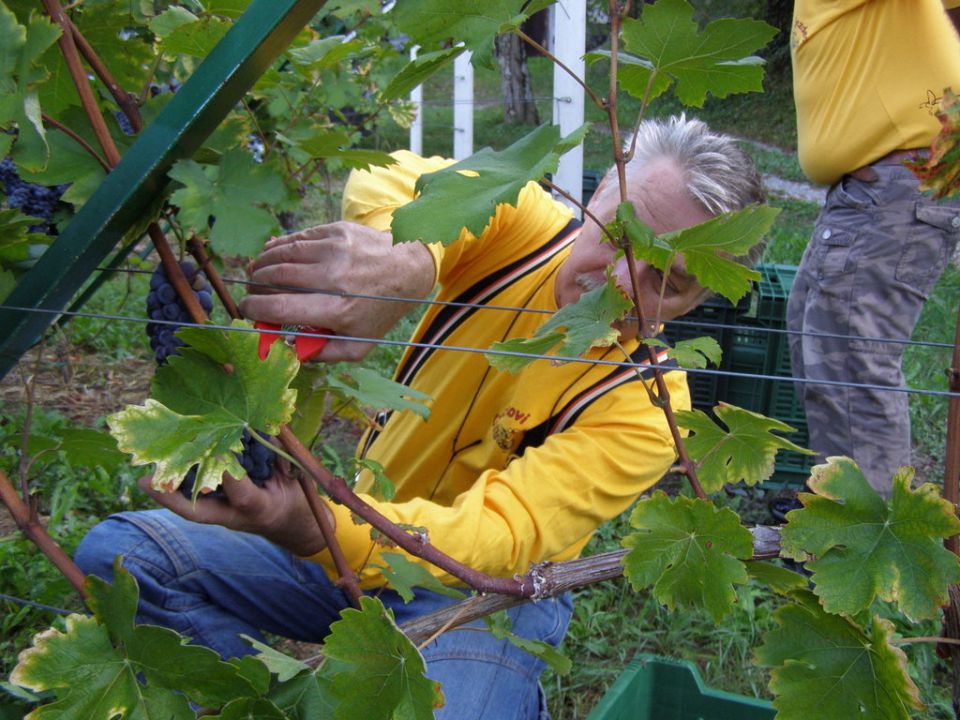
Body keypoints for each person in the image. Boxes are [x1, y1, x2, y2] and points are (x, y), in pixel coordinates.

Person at [76, 115, 764, 719]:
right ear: (596, 194)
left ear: (703, 297)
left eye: (666, 281)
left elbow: (495, 537)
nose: (621, 282)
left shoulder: (647, 406)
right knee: (124, 559)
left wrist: (307, 525)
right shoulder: (518, 222)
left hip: (485, 599)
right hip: (353, 527)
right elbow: (391, 177)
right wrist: (405, 260)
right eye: (620, 235)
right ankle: (256, 707)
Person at [786, 1, 960, 498]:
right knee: (819, 342)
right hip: (873, 188)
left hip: (900, 179)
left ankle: (872, 544)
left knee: (852, 359)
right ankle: (844, 512)